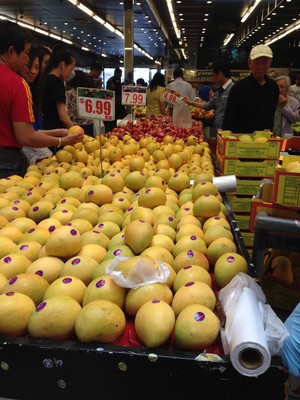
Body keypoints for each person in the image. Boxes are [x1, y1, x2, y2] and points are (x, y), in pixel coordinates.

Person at [0, 21, 83, 178]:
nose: (27, 59)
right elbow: (25, 136)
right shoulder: (16, 84)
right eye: (26, 52)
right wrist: (61, 141)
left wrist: (56, 133)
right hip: (6, 162)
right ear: (11, 51)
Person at [222, 44, 279, 133]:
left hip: (265, 141)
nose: (260, 67)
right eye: (256, 63)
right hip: (241, 142)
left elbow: (271, 117)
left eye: (264, 63)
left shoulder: (273, 87)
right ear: (249, 63)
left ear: (270, 63)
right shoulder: (238, 88)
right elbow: (229, 121)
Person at [184, 61, 234, 137]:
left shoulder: (234, 89)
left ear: (220, 74)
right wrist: (190, 102)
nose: (212, 79)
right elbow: (208, 105)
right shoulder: (219, 91)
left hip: (229, 133)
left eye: (213, 76)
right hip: (219, 131)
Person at [41, 44, 76, 134]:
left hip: (45, 128)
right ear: (63, 65)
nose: (71, 73)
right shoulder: (58, 82)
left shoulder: (45, 78)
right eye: (71, 69)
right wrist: (75, 131)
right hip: (57, 131)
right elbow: (63, 116)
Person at [66, 69, 95, 137]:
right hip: (87, 124)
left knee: (75, 146)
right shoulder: (89, 94)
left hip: (72, 125)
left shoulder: (67, 94)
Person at [104, 67, 127, 133]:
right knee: (119, 117)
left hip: (111, 102)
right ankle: (117, 130)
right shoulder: (116, 79)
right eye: (121, 74)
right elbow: (118, 89)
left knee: (112, 119)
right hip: (117, 102)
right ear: (118, 73)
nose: (121, 75)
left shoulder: (110, 80)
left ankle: (111, 131)